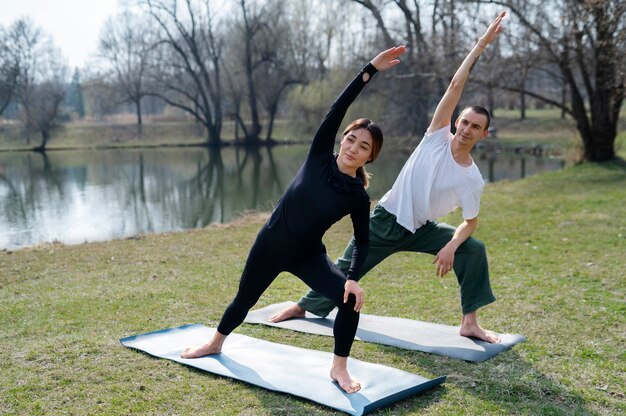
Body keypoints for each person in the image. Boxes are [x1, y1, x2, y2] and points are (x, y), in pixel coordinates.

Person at [180, 45, 407, 394]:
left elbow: (363, 240)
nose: (353, 148)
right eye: (351, 139)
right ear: (342, 138)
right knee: (244, 301)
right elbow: (339, 107)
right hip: (271, 244)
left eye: (363, 147)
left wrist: (352, 278)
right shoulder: (319, 155)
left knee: (349, 302)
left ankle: (338, 368)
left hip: (307, 255)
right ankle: (215, 343)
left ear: (370, 157)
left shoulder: (357, 196)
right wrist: (370, 69)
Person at [270, 12, 507, 344]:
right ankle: (303, 306)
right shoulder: (436, 137)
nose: (467, 129)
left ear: (484, 134)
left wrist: (452, 245)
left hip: (421, 229)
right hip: (386, 220)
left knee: (473, 249)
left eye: (475, 127)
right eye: (464, 122)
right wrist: (482, 43)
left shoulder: (473, 179)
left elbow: (470, 222)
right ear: (456, 123)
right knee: (345, 268)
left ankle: (470, 322)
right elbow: (456, 84)